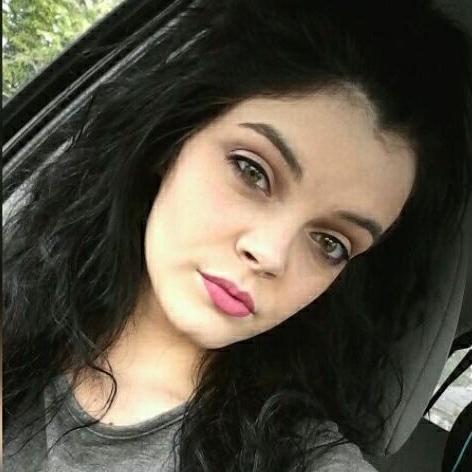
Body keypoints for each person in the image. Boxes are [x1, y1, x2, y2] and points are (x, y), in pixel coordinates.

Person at [3, 0, 471, 471]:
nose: (269, 253)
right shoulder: (18, 298)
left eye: (330, 242)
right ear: (173, 138)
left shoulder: (305, 461)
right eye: (252, 171)